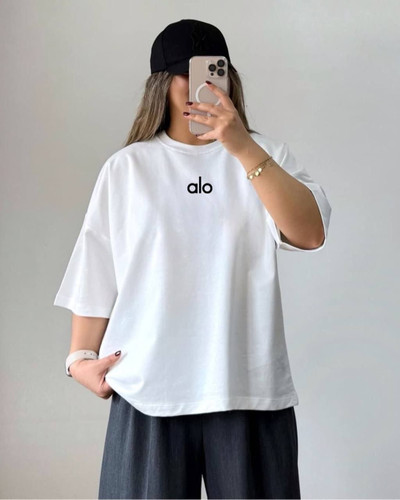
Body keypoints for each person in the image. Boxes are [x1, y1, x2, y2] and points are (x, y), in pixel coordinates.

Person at [54, 19, 331, 500]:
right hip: (147, 390)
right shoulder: (128, 168)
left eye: (212, 72)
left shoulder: (267, 154)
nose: (199, 85)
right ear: (161, 84)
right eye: (185, 73)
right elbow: (97, 267)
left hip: (247, 389)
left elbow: (309, 234)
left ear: (229, 77)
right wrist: (80, 358)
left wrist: (241, 147)